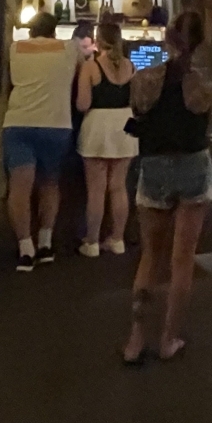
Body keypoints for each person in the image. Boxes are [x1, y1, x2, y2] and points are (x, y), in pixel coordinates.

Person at [123, 10, 212, 366]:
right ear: (200, 42)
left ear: (168, 38)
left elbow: (139, 114)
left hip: (154, 166)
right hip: (194, 166)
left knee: (150, 256)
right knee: (182, 260)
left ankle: (135, 341)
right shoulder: (205, 85)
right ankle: (168, 340)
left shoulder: (144, 79)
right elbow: (207, 130)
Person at [2, 10, 84, 272]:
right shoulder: (69, 49)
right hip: (56, 124)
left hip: (19, 122)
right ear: (54, 30)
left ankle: (26, 249)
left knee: (20, 187)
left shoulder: (15, 48)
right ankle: (46, 243)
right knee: (50, 183)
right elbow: (82, 71)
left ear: (30, 30)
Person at [74, 16, 139, 258]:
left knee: (96, 190)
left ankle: (92, 242)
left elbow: (83, 104)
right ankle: (117, 239)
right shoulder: (130, 66)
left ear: (98, 41)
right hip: (126, 126)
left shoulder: (91, 67)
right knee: (119, 187)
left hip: (98, 128)